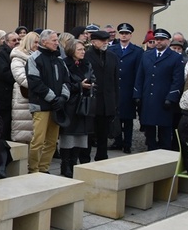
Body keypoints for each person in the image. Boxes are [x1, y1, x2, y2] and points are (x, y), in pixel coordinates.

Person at [134, 28, 185, 150]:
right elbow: (140, 76)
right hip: (148, 97)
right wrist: (137, 95)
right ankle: (150, 151)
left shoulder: (175, 57)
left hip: (164, 98)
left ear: (168, 41)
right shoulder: (146, 55)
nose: (158, 42)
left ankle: (164, 154)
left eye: (161, 40)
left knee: (165, 130)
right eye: (156, 39)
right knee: (149, 129)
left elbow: (177, 80)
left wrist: (171, 97)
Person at [27, 29, 70, 173]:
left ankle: (44, 168)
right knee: (38, 141)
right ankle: (33, 170)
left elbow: (66, 81)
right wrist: (53, 98)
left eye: (57, 40)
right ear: (44, 42)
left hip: (57, 106)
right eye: (54, 40)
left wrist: (63, 97)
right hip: (41, 106)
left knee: (52, 142)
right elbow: (35, 82)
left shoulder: (59, 60)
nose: (57, 43)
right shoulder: (34, 59)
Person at [59, 40, 94, 176]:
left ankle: (74, 162)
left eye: (83, 49)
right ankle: (65, 164)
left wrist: (90, 84)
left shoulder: (87, 64)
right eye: (79, 49)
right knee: (68, 135)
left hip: (83, 104)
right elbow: (64, 83)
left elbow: (92, 77)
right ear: (72, 50)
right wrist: (79, 85)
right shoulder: (64, 64)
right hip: (70, 104)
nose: (83, 52)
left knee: (80, 136)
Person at [84, 30, 119, 162]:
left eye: (107, 40)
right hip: (92, 101)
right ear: (93, 42)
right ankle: (85, 159)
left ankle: (102, 157)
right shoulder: (86, 56)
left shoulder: (112, 56)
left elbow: (115, 81)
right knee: (89, 134)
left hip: (107, 101)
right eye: (102, 41)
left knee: (104, 134)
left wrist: (115, 102)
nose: (106, 43)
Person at [108, 23, 143, 153]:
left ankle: (127, 144)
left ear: (130, 35)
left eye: (126, 33)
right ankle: (117, 141)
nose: (124, 35)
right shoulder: (112, 49)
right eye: (122, 33)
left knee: (128, 119)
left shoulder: (137, 51)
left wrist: (136, 92)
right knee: (116, 117)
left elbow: (139, 72)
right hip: (115, 89)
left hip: (129, 89)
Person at [10, 31, 39, 144]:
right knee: (23, 132)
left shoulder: (38, 56)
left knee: (34, 133)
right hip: (23, 98)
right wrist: (39, 85)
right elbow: (21, 78)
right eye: (35, 42)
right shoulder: (18, 57)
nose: (37, 44)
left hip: (35, 97)